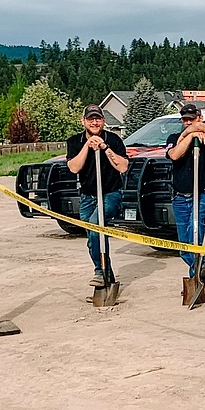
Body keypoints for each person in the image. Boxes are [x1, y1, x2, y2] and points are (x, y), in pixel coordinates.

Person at [66, 104, 129, 287]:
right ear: (83, 121)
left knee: (95, 228)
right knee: (94, 238)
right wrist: (87, 145)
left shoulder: (114, 140)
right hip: (88, 197)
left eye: (98, 119)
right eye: (90, 119)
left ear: (104, 121)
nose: (94, 122)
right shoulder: (74, 142)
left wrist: (104, 147)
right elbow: (74, 167)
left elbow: (123, 167)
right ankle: (107, 275)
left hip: (110, 194)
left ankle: (99, 272)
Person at [165, 103, 205, 280]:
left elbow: (202, 128)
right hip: (180, 197)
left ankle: (199, 274)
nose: (188, 123)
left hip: (202, 194)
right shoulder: (174, 137)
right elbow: (174, 154)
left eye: (192, 119)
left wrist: (194, 131)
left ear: (200, 117)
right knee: (184, 247)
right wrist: (189, 136)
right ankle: (200, 267)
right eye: (185, 120)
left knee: (196, 235)